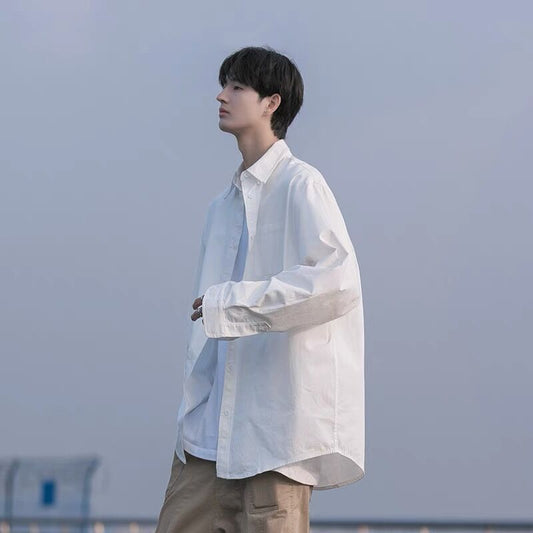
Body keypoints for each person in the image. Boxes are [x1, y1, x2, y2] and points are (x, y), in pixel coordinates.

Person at [155, 45, 365, 533]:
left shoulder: (302, 185)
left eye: (236, 87)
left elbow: (337, 281)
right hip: (205, 440)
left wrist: (231, 303)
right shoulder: (220, 208)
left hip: (273, 439)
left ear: (272, 102)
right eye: (223, 85)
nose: (221, 96)